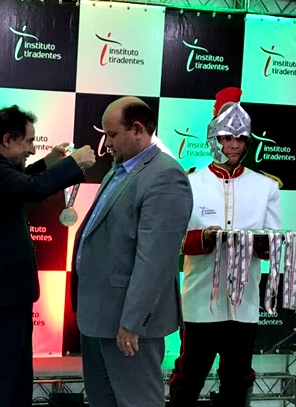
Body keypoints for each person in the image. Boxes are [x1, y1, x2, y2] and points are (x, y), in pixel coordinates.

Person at [0, 104, 96, 407]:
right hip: (0, 292)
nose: (33, 149)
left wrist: (48, 162)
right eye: (30, 141)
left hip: (9, 290)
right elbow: (31, 189)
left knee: (17, 376)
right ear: (8, 140)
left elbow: (18, 181)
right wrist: (73, 164)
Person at [71, 96, 193, 407]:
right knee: (102, 400)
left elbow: (155, 261)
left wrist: (133, 322)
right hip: (100, 316)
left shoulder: (165, 176)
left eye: (112, 134)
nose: (107, 143)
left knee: (138, 401)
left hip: (127, 323)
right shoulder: (118, 170)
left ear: (137, 129)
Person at [168, 87, 282, 407]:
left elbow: (273, 248)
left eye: (241, 138)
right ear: (214, 139)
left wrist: (263, 242)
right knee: (189, 376)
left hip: (244, 306)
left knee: (238, 378)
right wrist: (203, 238)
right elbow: (173, 240)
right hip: (200, 302)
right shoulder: (190, 183)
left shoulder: (266, 186)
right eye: (227, 138)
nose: (234, 145)